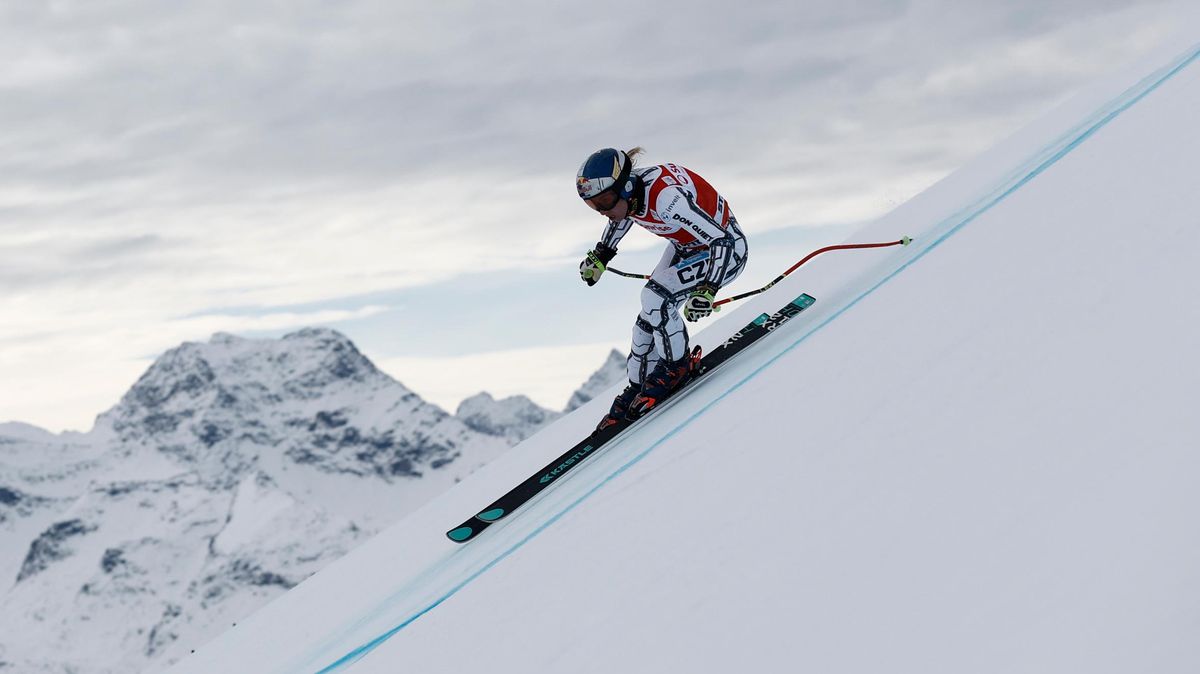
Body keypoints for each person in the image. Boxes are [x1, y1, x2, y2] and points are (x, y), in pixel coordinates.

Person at [576, 147, 749, 430]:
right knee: (647, 317)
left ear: (625, 186)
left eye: (605, 200)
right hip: (689, 248)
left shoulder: (667, 200)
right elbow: (621, 218)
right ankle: (639, 383)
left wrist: (708, 288)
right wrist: (602, 254)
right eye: (594, 205)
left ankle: (676, 365)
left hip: (726, 252)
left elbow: (723, 241)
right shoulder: (630, 196)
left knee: (655, 297)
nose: (603, 211)